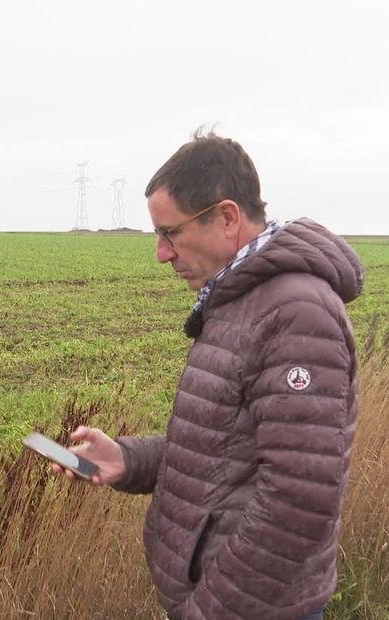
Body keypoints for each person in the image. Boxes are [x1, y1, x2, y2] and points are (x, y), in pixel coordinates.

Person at [54, 130, 364, 619]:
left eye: (170, 232)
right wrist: (126, 460)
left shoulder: (296, 313)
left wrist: (211, 610)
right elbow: (225, 452)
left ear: (226, 217)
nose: (161, 253)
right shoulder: (242, 302)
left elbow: (298, 500)